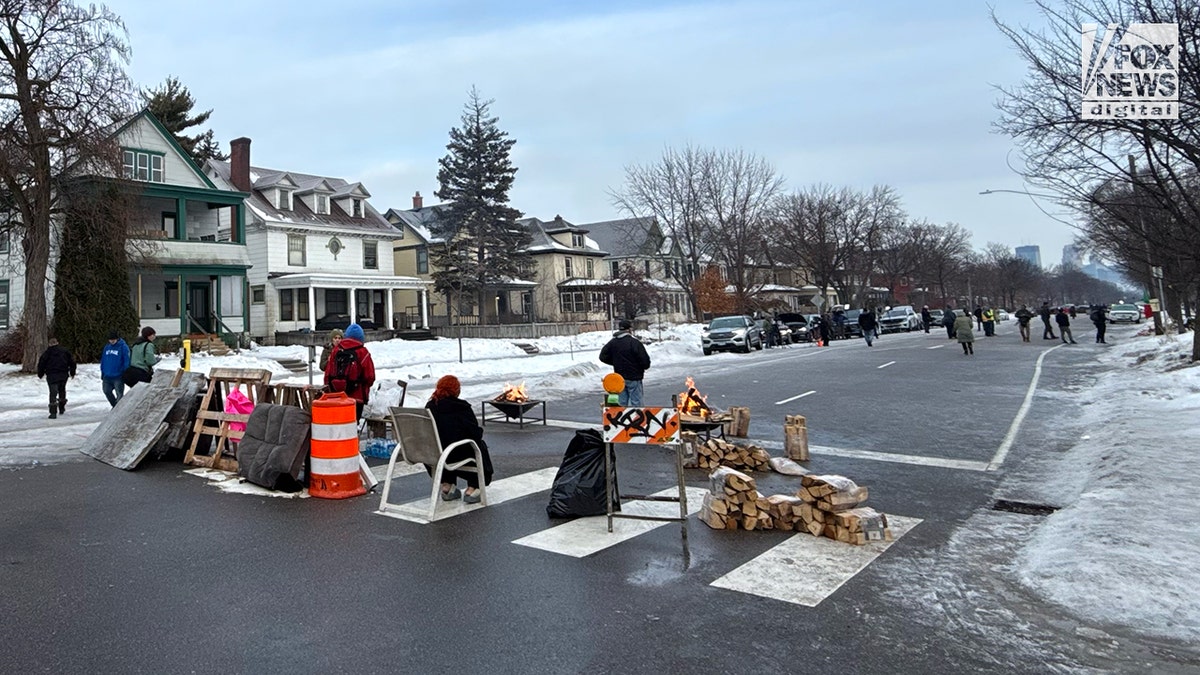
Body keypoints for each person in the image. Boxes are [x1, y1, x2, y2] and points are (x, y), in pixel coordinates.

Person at [425, 375, 493, 504]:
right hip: (457, 454)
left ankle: (447, 486)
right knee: (478, 446)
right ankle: (473, 488)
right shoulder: (462, 408)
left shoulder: (430, 406)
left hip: (434, 454)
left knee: (444, 446)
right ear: (456, 390)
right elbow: (474, 434)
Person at [324, 322, 376, 420]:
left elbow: (328, 373)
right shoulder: (363, 352)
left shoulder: (336, 350)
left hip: (337, 396)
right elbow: (370, 377)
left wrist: (330, 389)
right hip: (357, 397)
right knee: (352, 425)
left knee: (339, 424)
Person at [599, 319, 651, 406]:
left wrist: (615, 362)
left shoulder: (612, 343)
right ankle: (637, 418)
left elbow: (602, 357)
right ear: (629, 329)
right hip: (634, 376)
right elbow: (645, 361)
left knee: (622, 403)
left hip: (620, 378)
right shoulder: (634, 343)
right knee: (636, 403)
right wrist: (641, 367)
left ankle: (622, 418)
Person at [37, 337, 76, 419]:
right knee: (62, 390)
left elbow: (41, 364)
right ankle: (62, 407)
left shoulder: (47, 353)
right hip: (63, 374)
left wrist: (40, 373)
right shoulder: (65, 351)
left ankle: (53, 412)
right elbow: (72, 362)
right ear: (57, 342)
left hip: (52, 375)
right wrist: (72, 372)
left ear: (49, 344)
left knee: (53, 393)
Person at [99, 330, 130, 407]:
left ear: (117, 339)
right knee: (106, 391)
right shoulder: (107, 347)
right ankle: (115, 406)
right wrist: (103, 372)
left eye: (113, 339)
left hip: (118, 375)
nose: (112, 341)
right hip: (107, 374)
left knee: (119, 394)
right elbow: (103, 360)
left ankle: (119, 408)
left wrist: (125, 371)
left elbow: (126, 360)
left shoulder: (123, 347)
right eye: (110, 340)